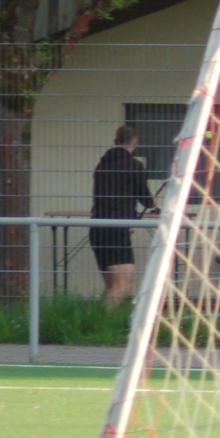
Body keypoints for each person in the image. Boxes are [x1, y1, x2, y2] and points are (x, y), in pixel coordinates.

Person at [90, 124, 157, 304]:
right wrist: (153, 201)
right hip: (116, 229)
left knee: (111, 285)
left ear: (115, 141)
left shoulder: (101, 166)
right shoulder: (134, 166)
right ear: (135, 142)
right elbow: (146, 200)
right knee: (123, 285)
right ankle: (101, 320)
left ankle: (95, 317)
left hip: (97, 228)